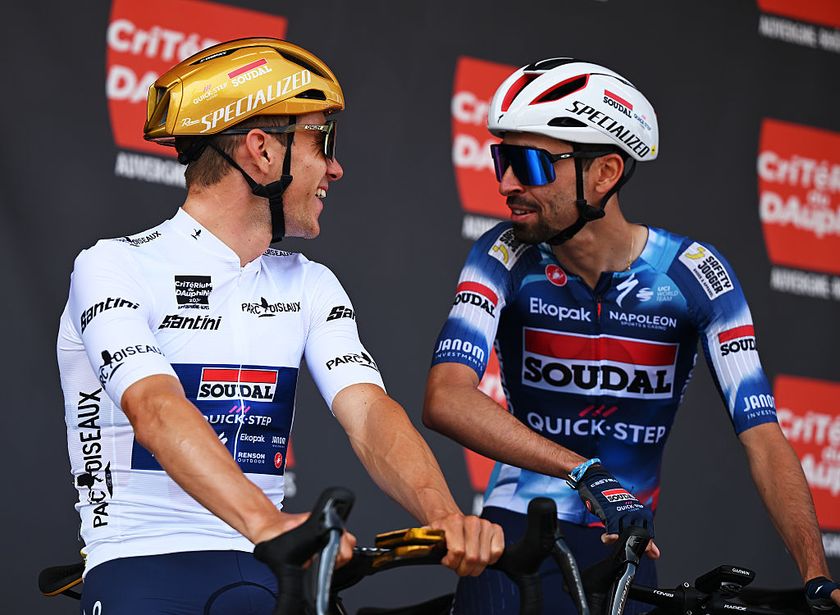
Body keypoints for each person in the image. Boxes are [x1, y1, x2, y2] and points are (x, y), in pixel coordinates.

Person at [58, 37, 502, 614]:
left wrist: (444, 518)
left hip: (267, 566)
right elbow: (155, 409)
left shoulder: (309, 284)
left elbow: (368, 413)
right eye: (323, 140)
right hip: (143, 559)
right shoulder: (112, 266)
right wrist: (270, 524)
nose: (335, 167)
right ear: (262, 151)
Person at [423, 57, 840, 614]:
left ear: (605, 173)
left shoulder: (695, 275)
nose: (505, 183)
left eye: (528, 163)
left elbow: (763, 436)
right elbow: (445, 396)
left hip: (623, 543)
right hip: (521, 528)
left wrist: (816, 577)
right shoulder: (503, 255)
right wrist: (584, 471)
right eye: (501, 157)